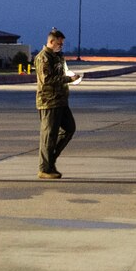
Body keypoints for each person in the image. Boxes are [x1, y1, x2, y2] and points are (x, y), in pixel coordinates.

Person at [35, 28, 82, 180]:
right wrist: (69, 80)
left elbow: (62, 73)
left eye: (62, 43)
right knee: (49, 136)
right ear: (51, 41)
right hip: (49, 102)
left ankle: (50, 160)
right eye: (59, 43)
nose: (61, 45)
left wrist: (71, 76)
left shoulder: (58, 57)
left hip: (61, 100)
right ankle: (45, 168)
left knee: (69, 128)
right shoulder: (44, 58)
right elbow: (47, 80)